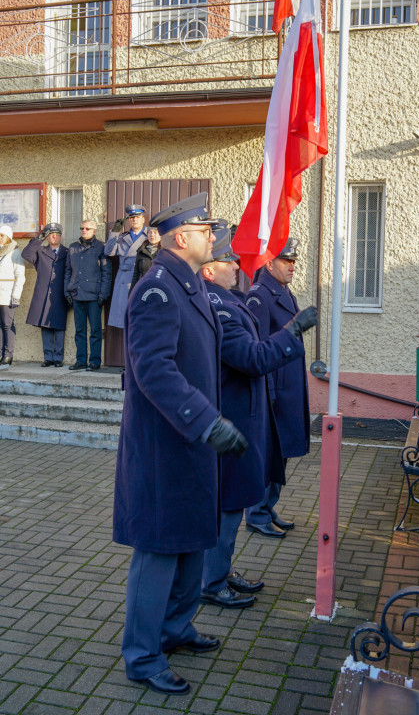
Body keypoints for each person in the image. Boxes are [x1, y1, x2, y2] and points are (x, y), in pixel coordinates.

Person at [113, 193, 248, 696]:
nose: (213, 236)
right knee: (159, 553)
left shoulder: (187, 284)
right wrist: (205, 422)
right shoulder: (157, 290)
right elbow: (152, 369)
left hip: (191, 443)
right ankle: (143, 655)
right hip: (164, 448)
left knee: (194, 541)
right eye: (205, 229)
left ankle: (175, 629)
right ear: (180, 238)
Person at [200, 224, 317, 607]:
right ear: (208, 269)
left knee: (232, 504)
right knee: (228, 505)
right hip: (237, 411)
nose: (236, 264)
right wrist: (293, 331)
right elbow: (252, 356)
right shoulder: (232, 302)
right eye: (227, 259)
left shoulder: (229, 298)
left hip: (246, 408)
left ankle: (220, 572)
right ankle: (211, 581)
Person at [245, 238, 312, 536]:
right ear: (269, 263)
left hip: (289, 387)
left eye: (294, 261)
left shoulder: (282, 290)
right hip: (275, 390)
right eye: (286, 261)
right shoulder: (260, 296)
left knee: (282, 451)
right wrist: (267, 393)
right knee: (270, 452)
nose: (292, 266)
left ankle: (268, 506)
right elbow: (257, 347)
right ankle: (257, 513)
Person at [64, 221, 112, 371]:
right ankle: (81, 361)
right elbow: (67, 271)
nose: (84, 230)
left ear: (94, 231)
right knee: (79, 331)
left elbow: (106, 273)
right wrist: (67, 291)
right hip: (77, 295)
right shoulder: (73, 247)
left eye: (87, 228)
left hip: (94, 296)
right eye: (82, 228)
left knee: (95, 331)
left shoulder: (101, 247)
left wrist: (103, 294)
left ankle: (95, 361)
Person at [22, 223, 69, 367]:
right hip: (43, 294)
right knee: (45, 326)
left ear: (61, 236)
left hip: (60, 293)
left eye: (56, 234)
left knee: (59, 325)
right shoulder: (40, 251)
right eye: (50, 234)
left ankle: (58, 358)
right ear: (47, 237)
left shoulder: (67, 252)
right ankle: (48, 357)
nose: (54, 237)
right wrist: (39, 238)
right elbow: (26, 254)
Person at [105, 204, 148, 328]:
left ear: (143, 219)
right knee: (126, 321)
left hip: (141, 276)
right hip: (124, 280)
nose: (134, 219)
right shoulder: (122, 237)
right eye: (131, 217)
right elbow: (108, 252)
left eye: (137, 217)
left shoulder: (150, 235)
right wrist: (114, 232)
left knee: (141, 319)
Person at [0, 224, 25, 366]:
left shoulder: (15, 252)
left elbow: (20, 275)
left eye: (2, 236)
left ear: (8, 237)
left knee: (7, 325)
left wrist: (16, 295)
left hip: (7, 295)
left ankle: (8, 355)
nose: (0, 239)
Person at [129, 226, 161, 291]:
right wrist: (131, 294)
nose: (152, 235)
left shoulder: (165, 251)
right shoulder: (141, 251)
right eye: (150, 232)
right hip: (144, 288)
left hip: (161, 289)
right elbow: (136, 275)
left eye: (155, 232)